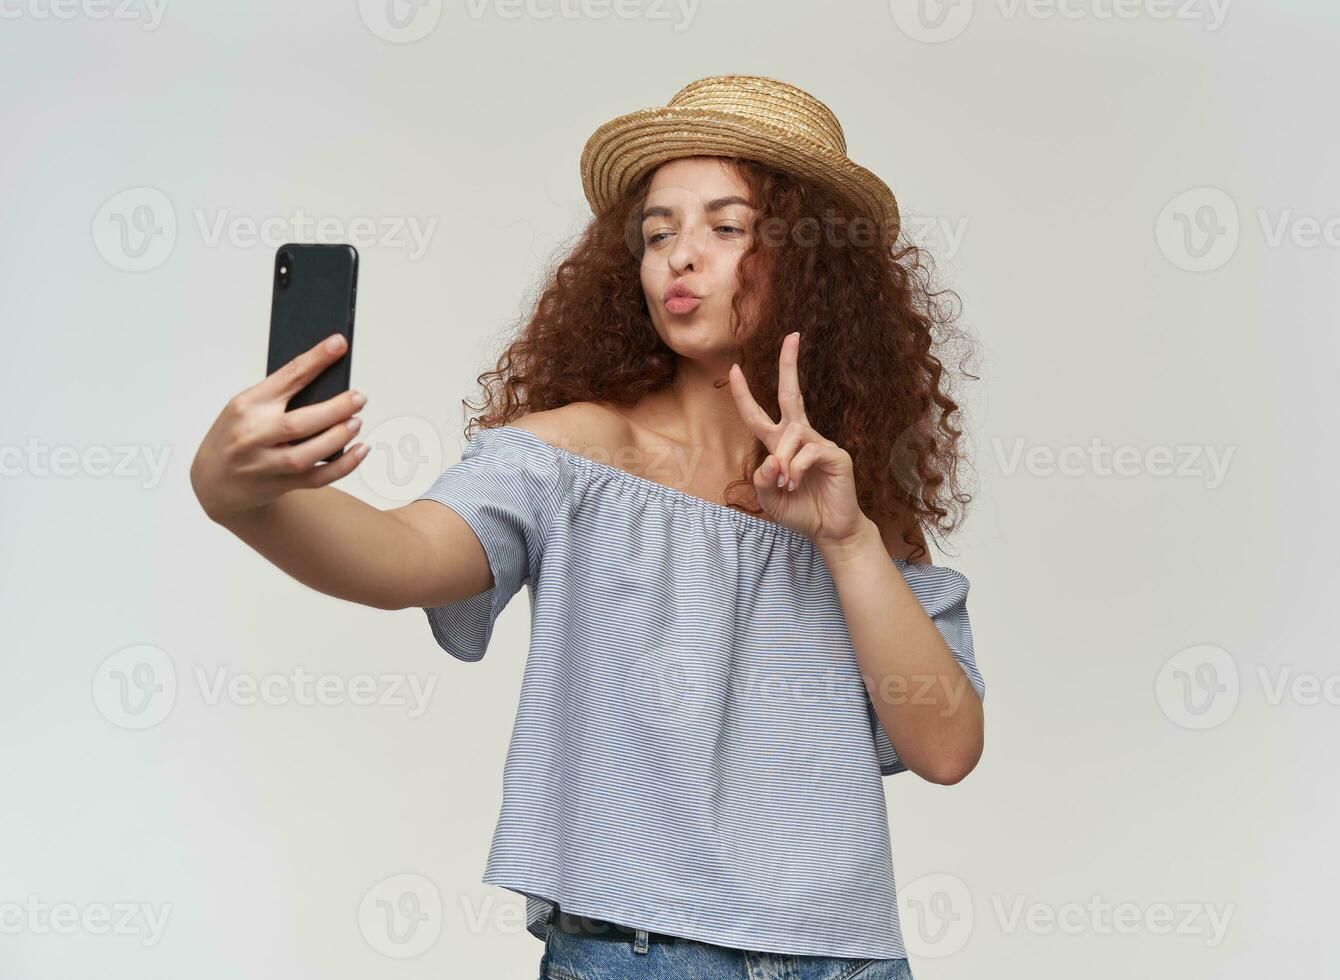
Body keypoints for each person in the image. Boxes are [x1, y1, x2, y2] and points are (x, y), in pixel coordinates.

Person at [191, 74, 986, 979]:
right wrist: (242, 497)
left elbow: (948, 747)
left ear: (813, 266)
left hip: (849, 961)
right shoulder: (568, 462)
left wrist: (847, 543)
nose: (679, 257)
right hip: (638, 959)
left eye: (725, 228)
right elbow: (399, 555)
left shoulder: (856, 513)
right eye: (657, 233)